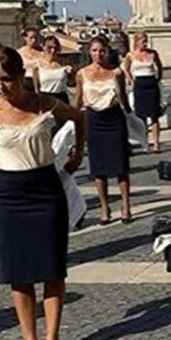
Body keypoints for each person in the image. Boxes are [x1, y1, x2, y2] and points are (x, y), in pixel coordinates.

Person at [0, 47, 85, 340]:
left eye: (6, 79)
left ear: (20, 75)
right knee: (18, 273)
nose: (0, 86)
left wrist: (78, 152)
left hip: (45, 189)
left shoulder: (43, 102)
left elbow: (78, 117)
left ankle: (52, 339)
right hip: (9, 194)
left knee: (52, 269)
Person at [75, 36, 133, 225]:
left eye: (102, 50)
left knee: (120, 166)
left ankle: (125, 205)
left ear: (107, 52)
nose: (98, 54)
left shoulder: (116, 72)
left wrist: (131, 116)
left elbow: (123, 96)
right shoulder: (81, 74)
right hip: (94, 119)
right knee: (98, 167)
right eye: (94, 50)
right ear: (89, 52)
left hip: (114, 118)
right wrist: (73, 117)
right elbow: (78, 98)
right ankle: (104, 207)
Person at [122, 32, 164, 153]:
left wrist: (158, 78)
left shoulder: (153, 53)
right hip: (139, 85)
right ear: (136, 42)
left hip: (151, 83)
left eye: (146, 41)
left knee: (154, 115)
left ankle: (156, 144)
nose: (145, 43)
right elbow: (126, 68)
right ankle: (145, 142)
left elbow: (159, 66)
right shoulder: (130, 55)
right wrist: (130, 80)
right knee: (142, 116)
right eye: (143, 41)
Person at [36, 35, 71, 104]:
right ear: (43, 47)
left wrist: (70, 73)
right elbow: (36, 88)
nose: (52, 51)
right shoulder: (37, 65)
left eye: (55, 48)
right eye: (49, 47)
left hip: (61, 98)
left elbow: (71, 83)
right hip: (45, 98)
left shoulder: (63, 63)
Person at [19, 27, 42, 92]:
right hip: (25, 82)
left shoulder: (42, 53)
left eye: (35, 38)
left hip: (39, 81)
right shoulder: (20, 53)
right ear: (25, 38)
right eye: (31, 38)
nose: (34, 40)